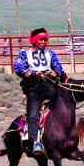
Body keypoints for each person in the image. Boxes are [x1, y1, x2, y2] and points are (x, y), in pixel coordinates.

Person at [13, 27, 65, 156]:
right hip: (34, 88)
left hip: (50, 86)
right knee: (33, 115)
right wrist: (32, 73)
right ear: (35, 40)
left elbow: (58, 68)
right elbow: (19, 68)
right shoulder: (25, 53)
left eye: (45, 40)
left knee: (65, 106)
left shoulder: (50, 54)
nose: (44, 42)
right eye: (41, 40)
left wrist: (55, 72)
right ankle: (35, 141)